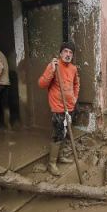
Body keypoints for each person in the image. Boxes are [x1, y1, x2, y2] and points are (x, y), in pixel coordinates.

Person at [38, 42, 80, 176]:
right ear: (61, 53)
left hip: (70, 107)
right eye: (66, 51)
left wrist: (74, 98)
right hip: (58, 107)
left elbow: (76, 84)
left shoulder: (73, 68)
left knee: (65, 132)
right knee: (57, 135)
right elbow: (41, 84)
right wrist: (51, 69)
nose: (68, 54)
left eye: (70, 53)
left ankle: (61, 156)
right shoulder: (54, 66)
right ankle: (52, 164)